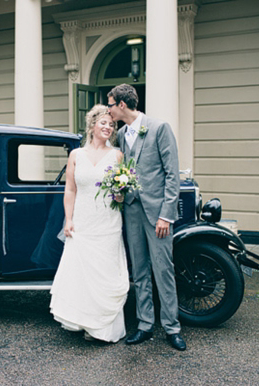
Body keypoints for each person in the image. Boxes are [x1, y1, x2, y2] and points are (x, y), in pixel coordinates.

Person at [108, 84, 187, 351]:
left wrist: (166, 215)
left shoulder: (159, 128)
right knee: (139, 270)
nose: (108, 110)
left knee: (163, 269)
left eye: (110, 104)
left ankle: (172, 327)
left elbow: (172, 175)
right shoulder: (120, 134)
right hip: (131, 211)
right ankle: (144, 324)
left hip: (158, 215)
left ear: (121, 104)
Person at [50, 104, 129, 343]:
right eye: (103, 123)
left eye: (111, 124)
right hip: (83, 221)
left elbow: (121, 195)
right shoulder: (76, 155)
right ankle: (85, 322)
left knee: (104, 272)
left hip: (108, 221)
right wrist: (69, 219)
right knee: (83, 272)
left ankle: (103, 329)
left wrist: (120, 192)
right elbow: (70, 189)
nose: (108, 127)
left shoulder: (117, 155)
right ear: (92, 125)